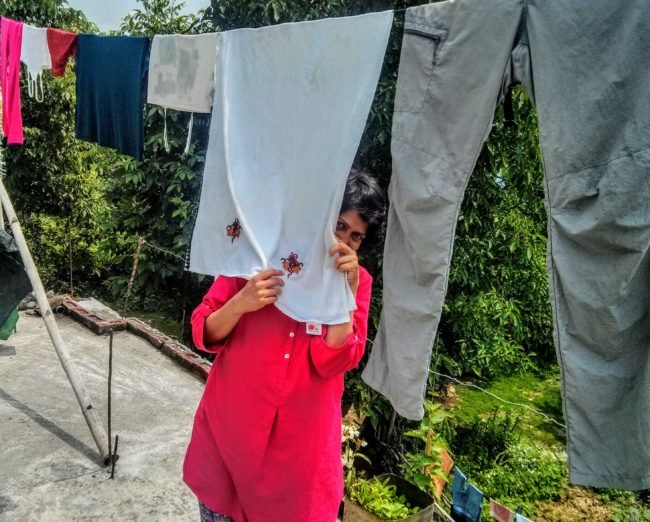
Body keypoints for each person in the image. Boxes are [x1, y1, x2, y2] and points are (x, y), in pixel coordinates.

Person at [183, 169, 386, 522]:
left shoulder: (357, 283)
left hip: (299, 465)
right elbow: (205, 333)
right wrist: (243, 301)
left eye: (356, 236)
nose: (344, 241)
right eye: (339, 225)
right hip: (229, 444)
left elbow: (333, 361)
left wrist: (343, 294)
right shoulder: (261, 253)